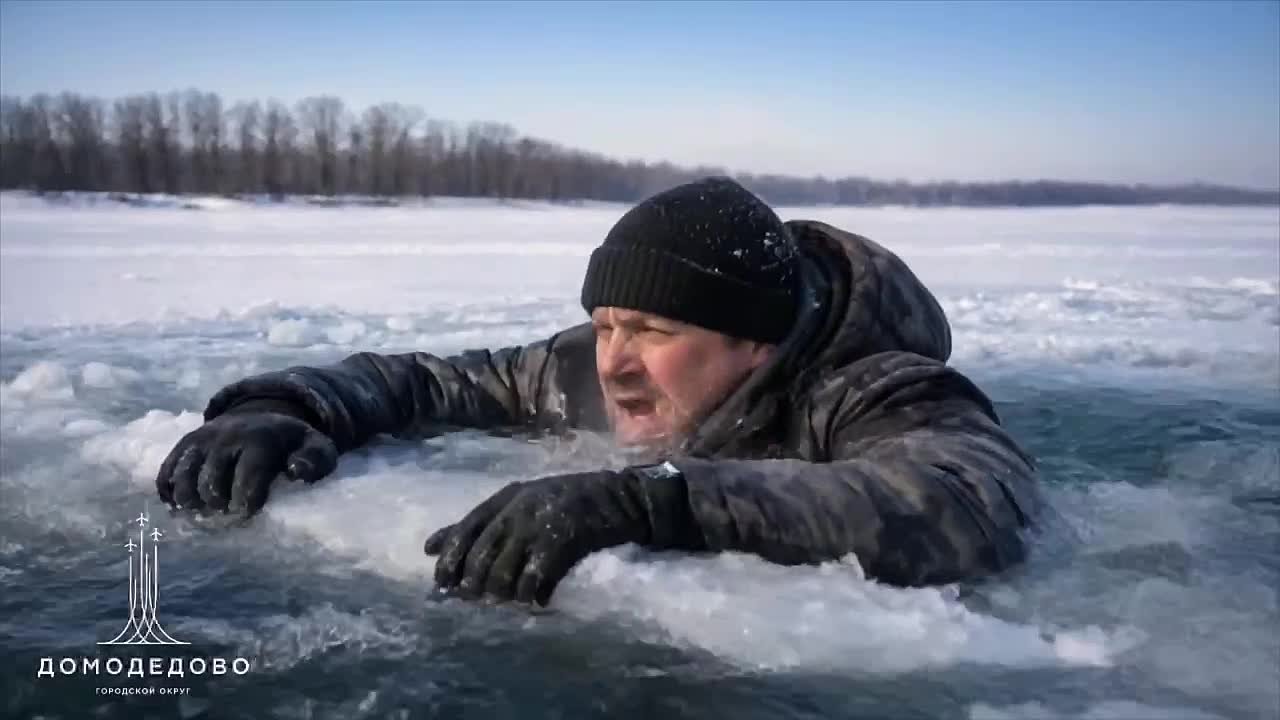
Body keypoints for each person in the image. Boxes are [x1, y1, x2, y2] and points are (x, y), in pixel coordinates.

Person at [156, 176, 1040, 606]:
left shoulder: (874, 390)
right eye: (608, 321)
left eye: (655, 333)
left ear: (754, 343)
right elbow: (422, 380)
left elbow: (961, 502)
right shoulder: (583, 365)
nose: (613, 360)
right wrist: (284, 406)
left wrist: (652, 502)